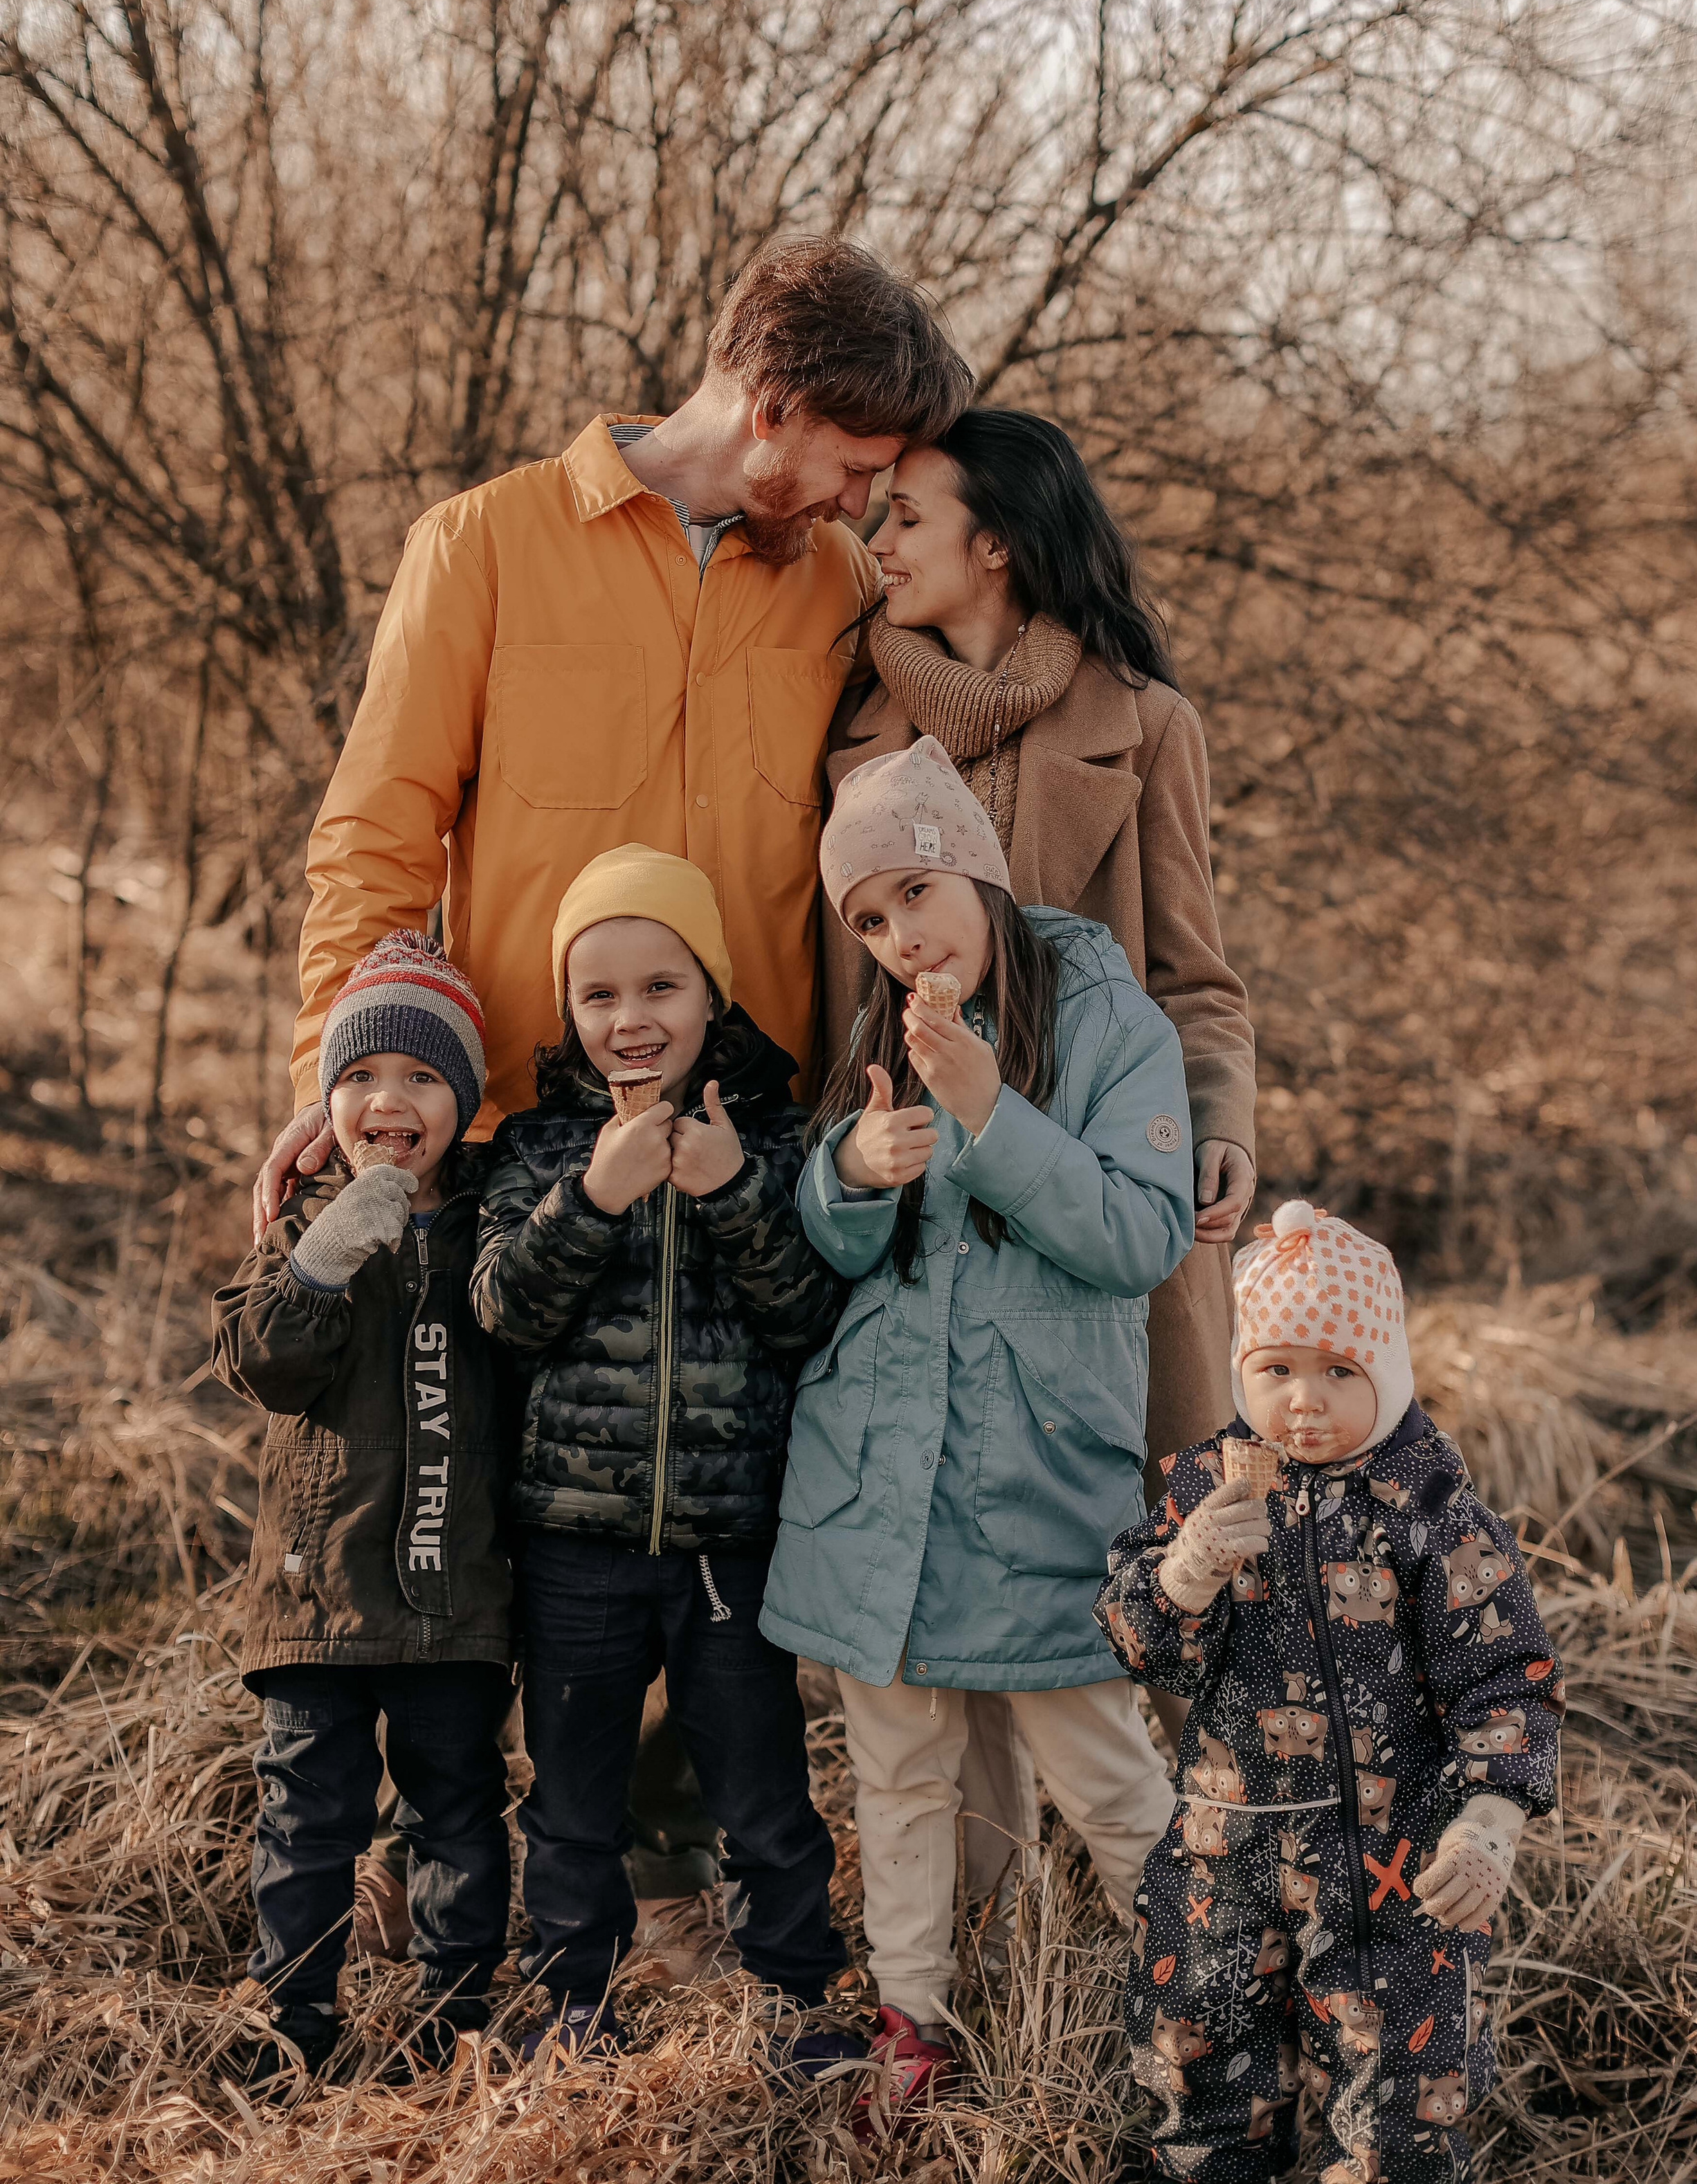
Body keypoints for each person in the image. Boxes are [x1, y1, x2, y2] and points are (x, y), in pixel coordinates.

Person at [248, 234, 970, 1927]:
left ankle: (665, 1871)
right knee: (513, 1527)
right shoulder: (487, 543)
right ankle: (484, 1886)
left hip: (750, 1145)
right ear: (772, 408)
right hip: (515, 1136)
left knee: (718, 1508)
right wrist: (336, 1084)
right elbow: (374, 833)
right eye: (857, 465)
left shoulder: (838, 591)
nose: (869, 502)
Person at [818, 403, 1258, 1872]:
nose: (874, 544)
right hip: (916, 1228)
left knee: (1142, 1563)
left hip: (1098, 1201)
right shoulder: (852, 733)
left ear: (993, 545)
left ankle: (1183, 1923)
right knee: (948, 1577)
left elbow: (1193, 976)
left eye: (905, 520)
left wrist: (1217, 1130)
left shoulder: (1144, 724)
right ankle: (996, 1927)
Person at [762, 736, 1192, 2112]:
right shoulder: (881, 1025)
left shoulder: (1109, 1022)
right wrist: (847, 1173)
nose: (895, 939)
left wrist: (983, 1111)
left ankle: (1223, 1999)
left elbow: (1138, 1234)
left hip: (1036, 1478)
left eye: (912, 897)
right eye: (867, 920)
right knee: (896, 1773)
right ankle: (914, 2019)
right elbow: (830, 1250)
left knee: (1103, 1769)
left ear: (977, 875)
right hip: (876, 1477)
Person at [471, 847, 858, 2067]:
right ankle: (574, 2013)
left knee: (762, 1793)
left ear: (713, 996)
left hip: (728, 1538)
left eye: (661, 988)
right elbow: (502, 1315)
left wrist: (736, 1191)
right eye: (600, 996)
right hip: (576, 1544)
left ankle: (796, 2005)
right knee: (574, 1798)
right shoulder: (533, 1149)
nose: (631, 1021)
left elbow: (810, 1319)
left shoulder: (783, 1140)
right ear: (571, 1011)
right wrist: (589, 1196)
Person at [1096, 1202, 1565, 2184]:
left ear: (1386, 1373)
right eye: (1275, 1370)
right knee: (1200, 2093)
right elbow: (1142, 1645)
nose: (1303, 1401)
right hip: (1224, 1860)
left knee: (1400, 2113)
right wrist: (1187, 1573)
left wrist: (1489, 1820)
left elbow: (1507, 1677)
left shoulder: (1434, 1513)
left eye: (1338, 1371)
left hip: (1395, 1872)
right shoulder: (1206, 1493)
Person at [212, 936, 514, 2090]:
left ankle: (456, 2017)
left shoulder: (491, 1224)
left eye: (424, 1078)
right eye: (361, 1078)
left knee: (458, 1807)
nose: (390, 1100)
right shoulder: (303, 1231)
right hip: (316, 1597)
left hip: (453, 1594)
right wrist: (323, 1262)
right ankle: (291, 2019)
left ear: (464, 1103)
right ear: (326, 1102)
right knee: (306, 1817)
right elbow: (258, 1361)